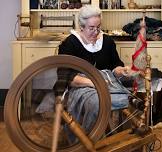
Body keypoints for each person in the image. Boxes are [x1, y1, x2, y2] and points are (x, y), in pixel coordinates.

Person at [53, 5, 132, 135]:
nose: (96, 32)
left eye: (98, 27)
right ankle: (90, 139)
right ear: (82, 27)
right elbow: (65, 76)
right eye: (91, 28)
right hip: (81, 86)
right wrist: (94, 82)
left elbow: (115, 64)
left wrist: (120, 70)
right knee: (97, 103)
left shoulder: (107, 41)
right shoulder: (70, 43)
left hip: (107, 83)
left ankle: (121, 138)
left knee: (128, 100)